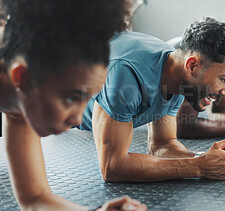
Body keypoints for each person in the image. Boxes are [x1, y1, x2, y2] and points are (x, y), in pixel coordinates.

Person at [0, 0, 146, 210]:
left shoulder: (22, 99)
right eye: (70, 98)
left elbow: (35, 198)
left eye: (87, 98)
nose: (77, 119)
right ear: (21, 78)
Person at [79, 17, 225, 182]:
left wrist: (208, 159)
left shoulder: (178, 74)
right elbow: (113, 167)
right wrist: (199, 167)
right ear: (192, 66)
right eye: (224, 80)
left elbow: (163, 145)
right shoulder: (126, 73)